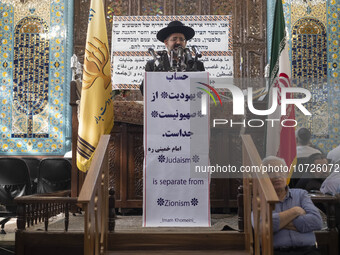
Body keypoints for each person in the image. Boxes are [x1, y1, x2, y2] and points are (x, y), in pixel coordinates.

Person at [263, 156, 322, 255]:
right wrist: (295, 211)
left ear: (286, 173)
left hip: (308, 251)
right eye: (271, 172)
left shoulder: (301, 194)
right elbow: (264, 227)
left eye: (280, 171)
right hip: (276, 252)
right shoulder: (261, 198)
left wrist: (282, 222)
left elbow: (316, 221)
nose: (277, 175)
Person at [140, 20, 205, 95]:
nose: (178, 42)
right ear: (166, 42)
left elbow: (202, 92)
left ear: (185, 42)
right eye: (174, 39)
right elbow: (144, 91)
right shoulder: (152, 65)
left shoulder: (197, 65)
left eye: (181, 39)